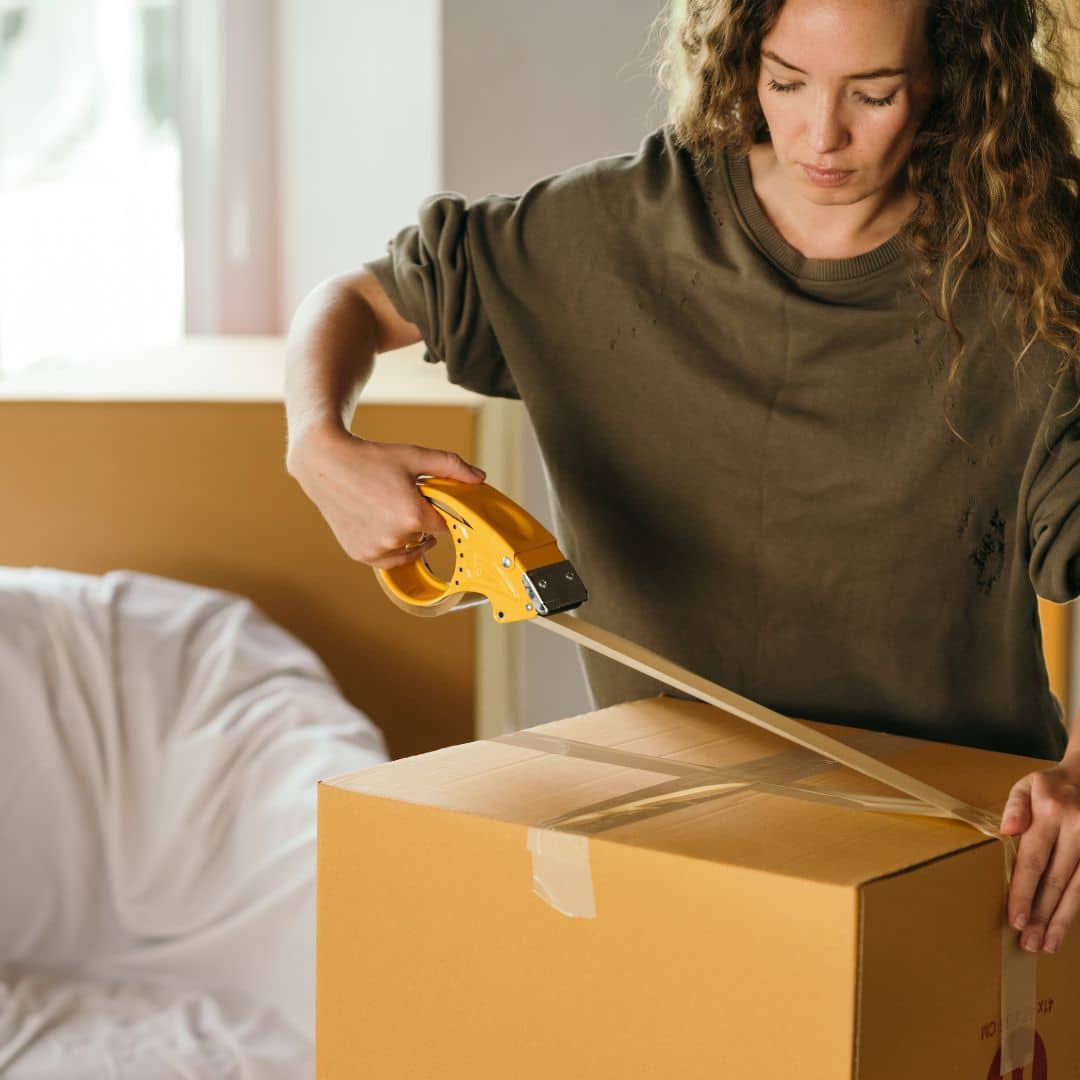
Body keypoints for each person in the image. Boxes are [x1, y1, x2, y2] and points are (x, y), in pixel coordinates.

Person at [285, 0, 1079, 957]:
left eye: (873, 93)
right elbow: (355, 301)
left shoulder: (1037, 266)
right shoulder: (610, 229)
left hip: (963, 854)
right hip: (670, 847)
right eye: (786, 82)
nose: (819, 135)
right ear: (744, 55)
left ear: (951, 75)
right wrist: (317, 439)